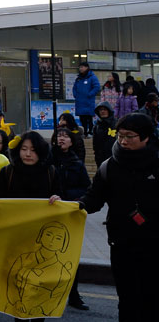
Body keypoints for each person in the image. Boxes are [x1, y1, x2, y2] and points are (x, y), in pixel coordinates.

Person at [79, 113, 159, 322]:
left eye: (130, 137)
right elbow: (93, 201)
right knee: (129, 300)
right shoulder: (109, 166)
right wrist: (69, 205)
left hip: (155, 244)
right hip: (122, 243)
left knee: (152, 299)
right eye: (120, 136)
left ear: (146, 138)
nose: (123, 141)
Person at [0, 132, 61, 322]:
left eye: (33, 150)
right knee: (20, 292)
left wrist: (60, 199)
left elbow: (68, 200)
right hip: (16, 243)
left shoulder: (51, 173)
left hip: (43, 246)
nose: (28, 154)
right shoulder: (8, 172)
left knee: (39, 294)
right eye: (24, 149)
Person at [53, 127, 93, 312]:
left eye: (65, 136)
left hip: (68, 214)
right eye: (59, 136)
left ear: (71, 141)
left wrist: (68, 198)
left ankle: (74, 295)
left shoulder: (76, 162)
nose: (61, 139)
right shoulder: (47, 159)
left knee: (70, 256)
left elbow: (85, 188)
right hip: (49, 213)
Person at [72, 62, 101, 137]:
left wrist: (90, 94)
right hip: (80, 101)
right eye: (80, 67)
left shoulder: (92, 77)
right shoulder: (78, 78)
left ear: (87, 67)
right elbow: (74, 88)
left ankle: (90, 132)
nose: (80, 69)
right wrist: (75, 95)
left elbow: (97, 87)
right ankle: (85, 132)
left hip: (88, 101)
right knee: (82, 118)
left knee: (89, 118)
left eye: (82, 67)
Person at [92, 103, 117, 168]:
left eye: (105, 109)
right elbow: (95, 143)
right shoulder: (96, 126)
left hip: (114, 156)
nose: (102, 111)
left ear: (109, 110)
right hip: (101, 158)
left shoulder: (116, 124)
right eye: (100, 110)